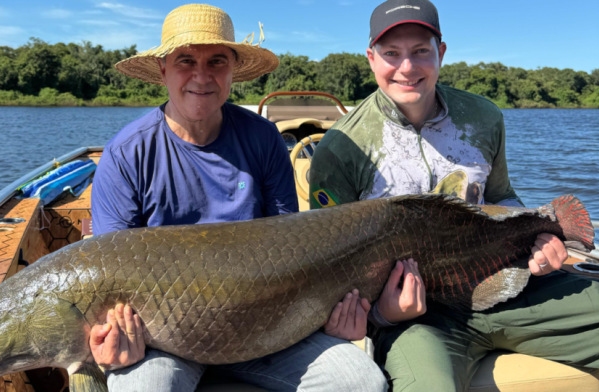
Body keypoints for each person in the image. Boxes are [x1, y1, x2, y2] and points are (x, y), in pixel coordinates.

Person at [87, 4, 387, 392]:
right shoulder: (127, 153)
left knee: (360, 381)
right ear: (163, 69)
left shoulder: (263, 140)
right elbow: (109, 274)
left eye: (216, 61)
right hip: (164, 340)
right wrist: (114, 337)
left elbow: (292, 249)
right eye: (185, 61)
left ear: (232, 71)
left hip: (268, 326)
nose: (201, 75)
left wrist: (326, 311)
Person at [309, 0, 599, 391]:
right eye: (391, 54)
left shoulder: (484, 117)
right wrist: (380, 315)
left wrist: (542, 241)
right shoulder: (340, 147)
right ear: (371, 58)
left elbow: (502, 197)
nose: (407, 68)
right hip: (417, 320)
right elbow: (327, 266)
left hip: (507, 285)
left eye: (421, 52)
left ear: (440, 53)